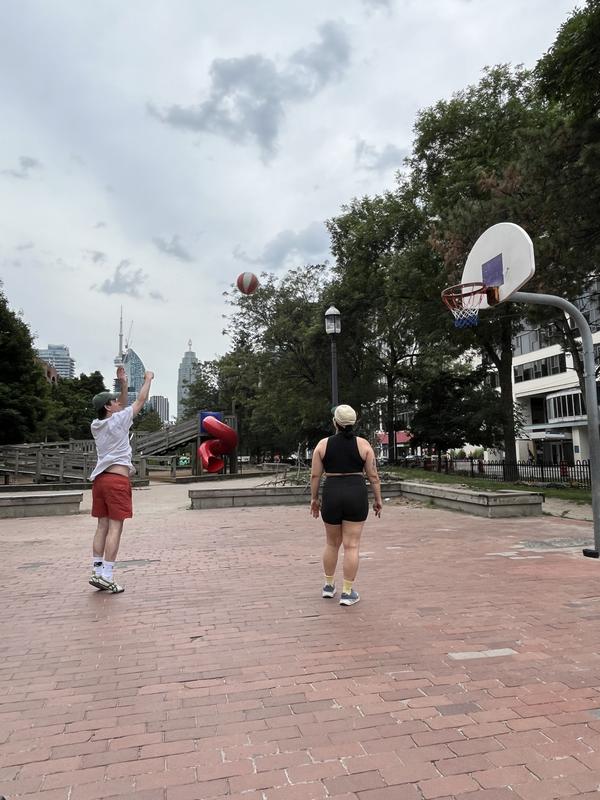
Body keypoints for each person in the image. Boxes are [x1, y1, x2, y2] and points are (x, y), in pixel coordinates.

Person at [88, 366, 154, 593]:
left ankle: (96, 571)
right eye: (115, 401)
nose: (119, 403)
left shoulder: (96, 425)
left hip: (100, 482)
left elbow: (123, 407)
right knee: (116, 528)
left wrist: (123, 384)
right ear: (108, 407)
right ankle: (107, 574)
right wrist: (148, 379)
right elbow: (141, 400)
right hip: (117, 481)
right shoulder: (120, 421)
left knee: (102, 526)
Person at [310, 404, 383, 606]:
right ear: (354, 423)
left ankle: (328, 586)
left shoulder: (322, 445)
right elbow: (373, 476)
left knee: (331, 543)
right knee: (352, 545)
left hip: (332, 492)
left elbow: (315, 475)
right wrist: (378, 500)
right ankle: (348, 592)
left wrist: (314, 499)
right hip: (355, 493)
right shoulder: (364, 445)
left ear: (335, 422)